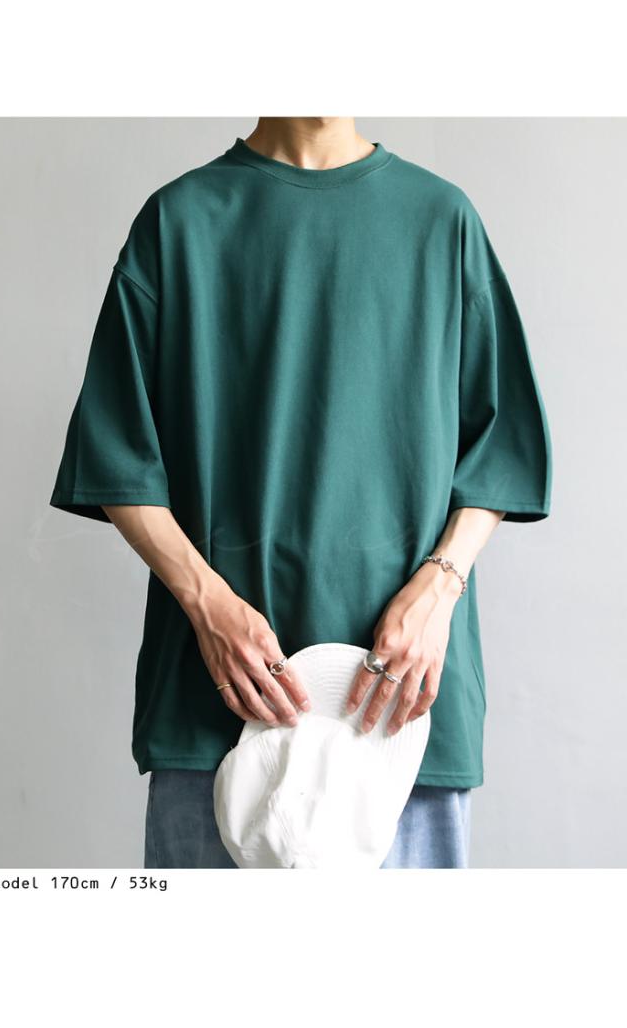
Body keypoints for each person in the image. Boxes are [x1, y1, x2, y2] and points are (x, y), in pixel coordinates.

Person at [49, 117, 552, 869]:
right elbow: (116, 453)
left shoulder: (442, 220)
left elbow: (502, 445)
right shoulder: (179, 220)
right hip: (221, 708)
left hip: (397, 709)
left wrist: (439, 589)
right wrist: (207, 606)